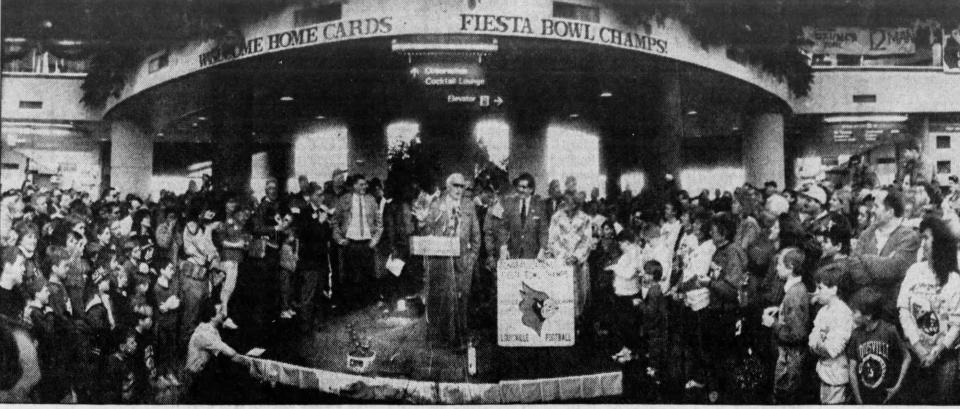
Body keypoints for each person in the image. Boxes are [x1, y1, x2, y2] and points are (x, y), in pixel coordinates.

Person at [897, 216, 960, 404]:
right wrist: (917, 346)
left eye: (926, 238)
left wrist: (937, 351)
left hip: (944, 357)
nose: (922, 243)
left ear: (940, 242)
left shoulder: (954, 280)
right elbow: (904, 309)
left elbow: (957, 322)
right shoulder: (914, 271)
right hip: (915, 351)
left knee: (942, 401)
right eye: (921, 238)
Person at [417, 173, 480, 348]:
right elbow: (427, 230)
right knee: (443, 299)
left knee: (462, 300)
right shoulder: (437, 205)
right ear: (448, 186)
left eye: (462, 186)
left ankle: (461, 337)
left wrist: (472, 258)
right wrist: (422, 224)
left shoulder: (468, 206)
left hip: (463, 261)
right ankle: (443, 339)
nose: (459, 189)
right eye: (456, 185)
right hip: (442, 262)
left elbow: (476, 235)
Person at [851, 189, 920, 318]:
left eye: (876, 206)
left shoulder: (908, 236)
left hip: (889, 309)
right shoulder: (867, 233)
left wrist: (865, 259)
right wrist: (879, 265)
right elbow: (853, 264)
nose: (872, 210)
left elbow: (893, 269)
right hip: (862, 304)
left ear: (890, 212)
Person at [847, 287, 910, 405]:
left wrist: (897, 386)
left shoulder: (889, 331)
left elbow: (907, 357)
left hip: (886, 397)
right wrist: (858, 400)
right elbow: (852, 370)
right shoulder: (856, 334)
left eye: (855, 312)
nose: (852, 315)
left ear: (868, 316)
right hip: (865, 397)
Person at [763, 247, 810, 405]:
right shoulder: (795, 289)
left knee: (784, 396)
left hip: (790, 360)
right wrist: (780, 309)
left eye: (780, 265)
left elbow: (796, 334)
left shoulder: (794, 295)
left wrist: (773, 324)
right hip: (788, 357)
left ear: (790, 268)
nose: (776, 268)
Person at [182, 300, 250, 403]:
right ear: (212, 317)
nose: (224, 314)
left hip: (202, 371)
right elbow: (230, 353)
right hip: (195, 378)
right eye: (220, 311)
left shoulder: (210, 328)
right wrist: (249, 362)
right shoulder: (205, 334)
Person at [332, 174, 383, 310]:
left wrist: (375, 239)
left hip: (367, 243)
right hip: (351, 243)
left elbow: (379, 223)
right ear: (354, 185)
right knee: (352, 276)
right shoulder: (344, 200)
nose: (364, 187)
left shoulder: (371, 200)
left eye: (365, 184)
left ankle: (368, 305)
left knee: (369, 274)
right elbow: (335, 221)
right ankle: (353, 305)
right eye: (361, 184)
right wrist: (340, 239)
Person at [808, 264, 854, 404]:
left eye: (820, 288)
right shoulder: (823, 311)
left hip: (837, 377)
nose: (816, 292)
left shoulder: (843, 313)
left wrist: (817, 344)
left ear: (834, 289)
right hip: (824, 372)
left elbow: (831, 349)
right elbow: (812, 340)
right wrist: (817, 344)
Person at [548, 191, 594, 322]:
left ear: (576, 204)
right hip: (562, 263)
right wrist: (563, 256)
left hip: (579, 264)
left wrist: (577, 257)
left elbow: (587, 241)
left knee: (581, 296)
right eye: (564, 202)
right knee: (563, 295)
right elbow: (552, 240)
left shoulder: (585, 219)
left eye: (570, 202)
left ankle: (579, 323)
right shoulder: (556, 218)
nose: (566, 205)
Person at [493, 173, 549, 262]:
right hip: (512, 255)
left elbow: (543, 231)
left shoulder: (539, 206)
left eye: (524, 187)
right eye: (519, 187)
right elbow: (503, 227)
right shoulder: (510, 203)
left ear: (531, 189)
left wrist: (542, 249)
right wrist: (503, 246)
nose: (520, 190)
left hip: (533, 257)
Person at [102, 329, 139, 404]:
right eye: (132, 343)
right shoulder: (113, 362)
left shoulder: (128, 358)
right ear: (122, 347)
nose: (136, 344)